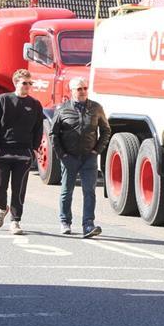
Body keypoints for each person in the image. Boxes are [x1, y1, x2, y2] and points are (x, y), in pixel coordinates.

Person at [49, 77, 110, 238]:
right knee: (66, 191)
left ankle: (88, 224)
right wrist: (62, 155)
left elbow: (106, 131)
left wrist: (96, 151)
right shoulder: (62, 109)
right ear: (72, 91)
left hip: (89, 157)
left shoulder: (96, 108)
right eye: (79, 89)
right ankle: (65, 222)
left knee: (89, 192)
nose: (82, 91)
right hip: (69, 157)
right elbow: (53, 134)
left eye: (84, 88)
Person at [0, 69, 43, 234]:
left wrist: (34, 149)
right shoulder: (3, 100)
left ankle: (15, 221)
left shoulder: (35, 104)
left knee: (19, 189)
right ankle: (1, 208)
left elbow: (38, 129)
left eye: (30, 83)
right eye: (24, 83)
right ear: (16, 83)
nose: (27, 86)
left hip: (24, 152)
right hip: (3, 150)